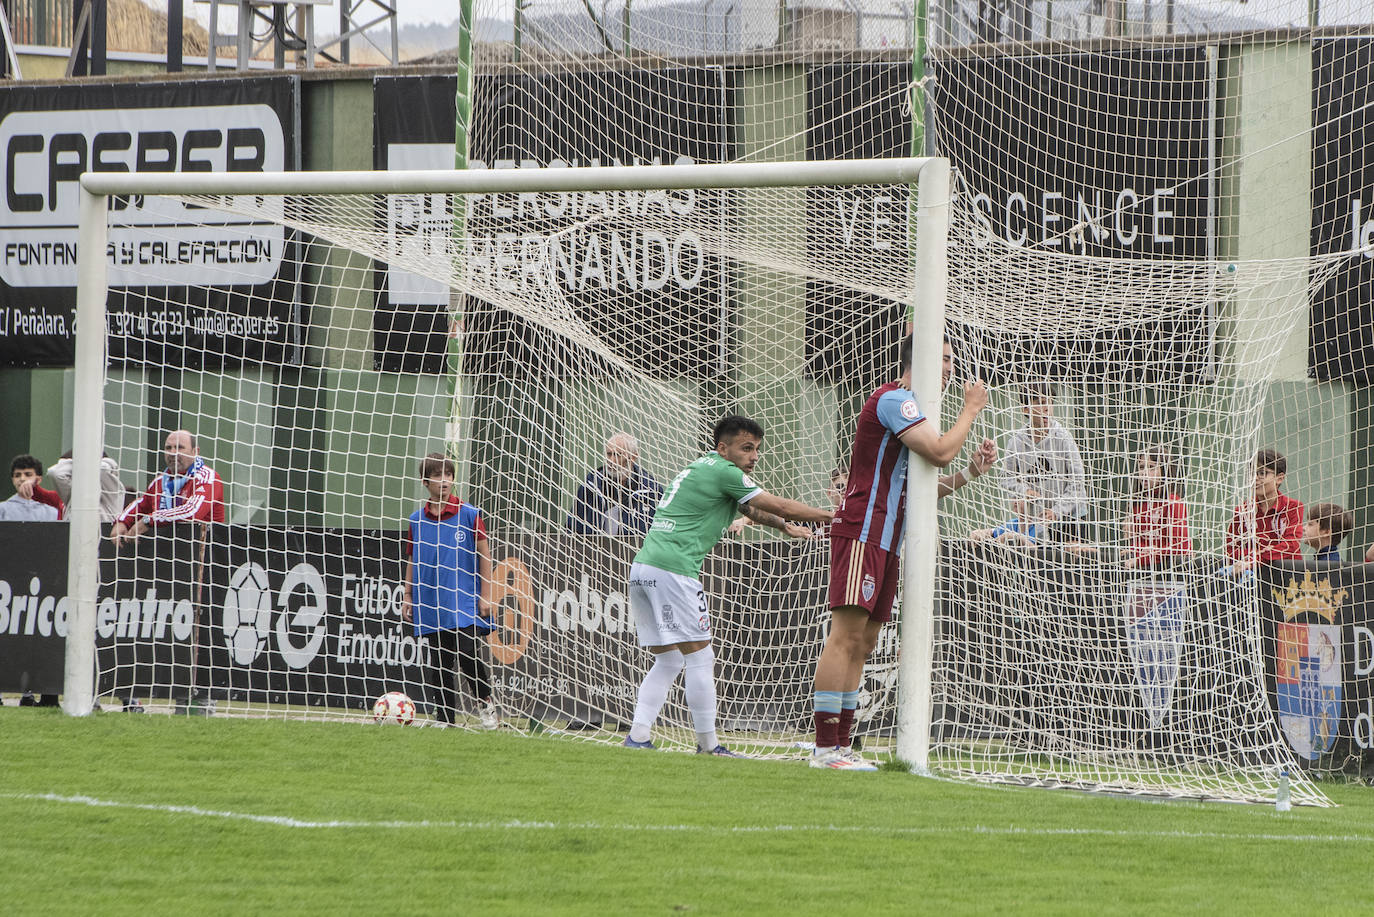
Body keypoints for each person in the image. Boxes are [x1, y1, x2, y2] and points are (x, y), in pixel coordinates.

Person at [810, 337, 990, 771]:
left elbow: (924, 490)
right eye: (945, 359)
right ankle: (824, 748)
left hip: (888, 539)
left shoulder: (915, 411)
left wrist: (972, 472)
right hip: (863, 531)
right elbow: (941, 452)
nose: (951, 368)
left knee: (866, 642)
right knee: (846, 636)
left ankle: (843, 744)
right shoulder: (895, 399)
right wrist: (970, 410)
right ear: (922, 360)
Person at [623, 414, 833, 756]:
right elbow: (776, 503)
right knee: (701, 658)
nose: (753, 456)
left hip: (644, 568)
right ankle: (709, 745)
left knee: (669, 661)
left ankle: (638, 736)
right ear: (723, 448)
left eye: (756, 450)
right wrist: (832, 517)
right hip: (674, 570)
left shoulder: (704, 467)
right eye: (745, 448)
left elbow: (752, 509)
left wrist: (783, 527)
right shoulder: (725, 471)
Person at [402, 452, 498, 729]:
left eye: (448, 475)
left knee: (467, 653)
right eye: (437, 476)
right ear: (425, 482)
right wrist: (408, 594)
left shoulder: (469, 514)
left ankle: (485, 703)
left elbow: (485, 555)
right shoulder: (417, 520)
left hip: (464, 597)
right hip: (431, 598)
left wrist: (486, 594)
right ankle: (445, 719)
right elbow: (412, 558)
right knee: (440, 660)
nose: (444, 481)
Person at [974, 382, 1088, 546]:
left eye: (1050, 402)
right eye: (1040, 402)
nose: (1047, 407)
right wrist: (1024, 491)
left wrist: (1056, 511)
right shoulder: (1017, 442)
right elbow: (1006, 478)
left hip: (1069, 517)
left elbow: (1078, 483)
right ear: (1026, 409)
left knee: (1069, 559)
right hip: (1037, 518)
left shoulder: (1064, 438)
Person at [109, 430, 225, 547]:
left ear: (195, 451)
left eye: (179, 447)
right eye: (168, 448)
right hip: (167, 554)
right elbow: (141, 504)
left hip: (205, 555)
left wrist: (149, 520)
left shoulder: (207, 477)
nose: (173, 452)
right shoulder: (159, 481)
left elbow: (192, 512)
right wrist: (122, 522)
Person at [1224, 448, 1303, 576]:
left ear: (1279, 478)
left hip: (1287, 576)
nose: (1254, 479)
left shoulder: (1292, 507)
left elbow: (1291, 546)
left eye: (1262, 473)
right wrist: (1261, 554)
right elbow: (1230, 549)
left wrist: (1254, 558)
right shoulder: (1243, 510)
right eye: (1251, 473)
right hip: (1252, 578)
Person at [567, 432, 663, 537]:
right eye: (609, 454)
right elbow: (572, 529)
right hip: (594, 552)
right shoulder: (591, 486)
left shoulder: (650, 490)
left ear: (633, 457)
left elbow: (660, 534)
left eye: (617, 455)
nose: (611, 461)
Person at [1122, 446, 1191, 570]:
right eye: (1141, 467)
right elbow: (1141, 542)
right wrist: (1132, 547)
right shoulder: (1138, 503)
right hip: (1146, 566)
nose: (1144, 473)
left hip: (1173, 568)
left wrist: (1141, 559)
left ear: (1165, 471)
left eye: (1152, 467)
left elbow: (1178, 547)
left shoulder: (1173, 502)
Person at [49, 449, 127, 522]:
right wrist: (74, 462)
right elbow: (55, 473)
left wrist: (83, 459)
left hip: (104, 533)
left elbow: (102, 469)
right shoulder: (73, 495)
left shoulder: (112, 489)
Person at [0, 455, 61, 521]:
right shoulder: (2, 509)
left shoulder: (52, 512)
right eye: (17, 475)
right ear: (13, 480)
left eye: (28, 474)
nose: (22, 479)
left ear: (38, 480)